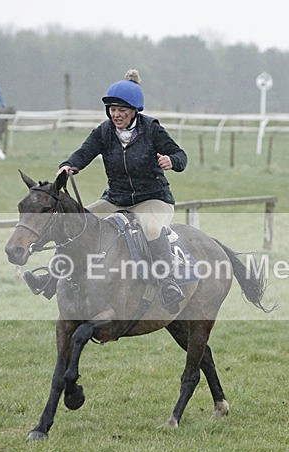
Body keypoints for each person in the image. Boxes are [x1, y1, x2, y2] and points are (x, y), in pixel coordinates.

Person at [23, 69, 187, 313]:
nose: (116, 115)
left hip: (153, 199)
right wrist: (69, 165)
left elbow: (181, 156)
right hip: (116, 198)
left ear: (134, 110)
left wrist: (171, 161)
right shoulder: (104, 131)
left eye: (122, 110)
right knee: (75, 222)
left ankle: (168, 283)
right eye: (112, 109)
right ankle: (51, 277)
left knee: (152, 229)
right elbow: (84, 153)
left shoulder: (152, 129)